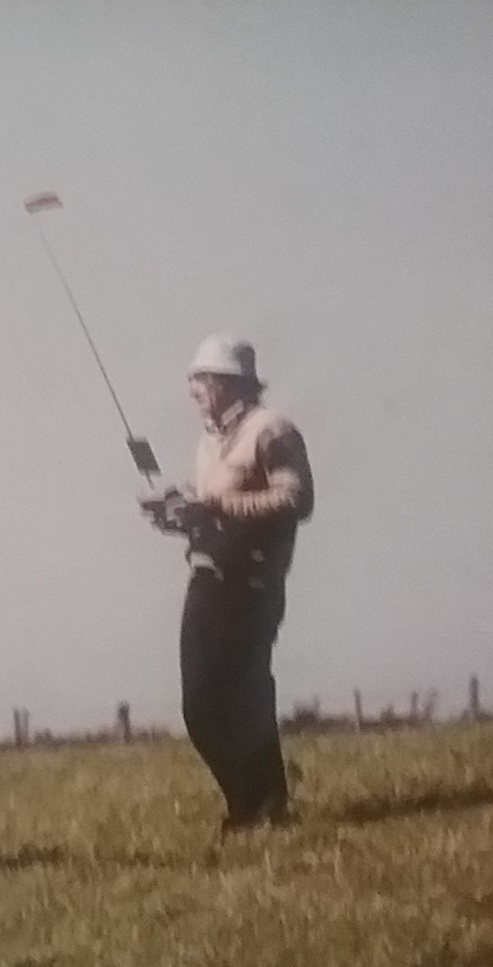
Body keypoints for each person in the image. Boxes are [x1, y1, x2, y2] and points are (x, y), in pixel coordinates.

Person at [140, 333, 314, 834]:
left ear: (225, 384)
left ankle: (258, 807)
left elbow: (295, 501)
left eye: (200, 382)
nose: (193, 392)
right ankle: (257, 802)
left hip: (253, 583)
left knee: (239, 697)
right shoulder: (209, 442)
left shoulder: (272, 431)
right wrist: (178, 514)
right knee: (204, 703)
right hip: (210, 578)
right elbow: (212, 510)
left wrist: (211, 506)